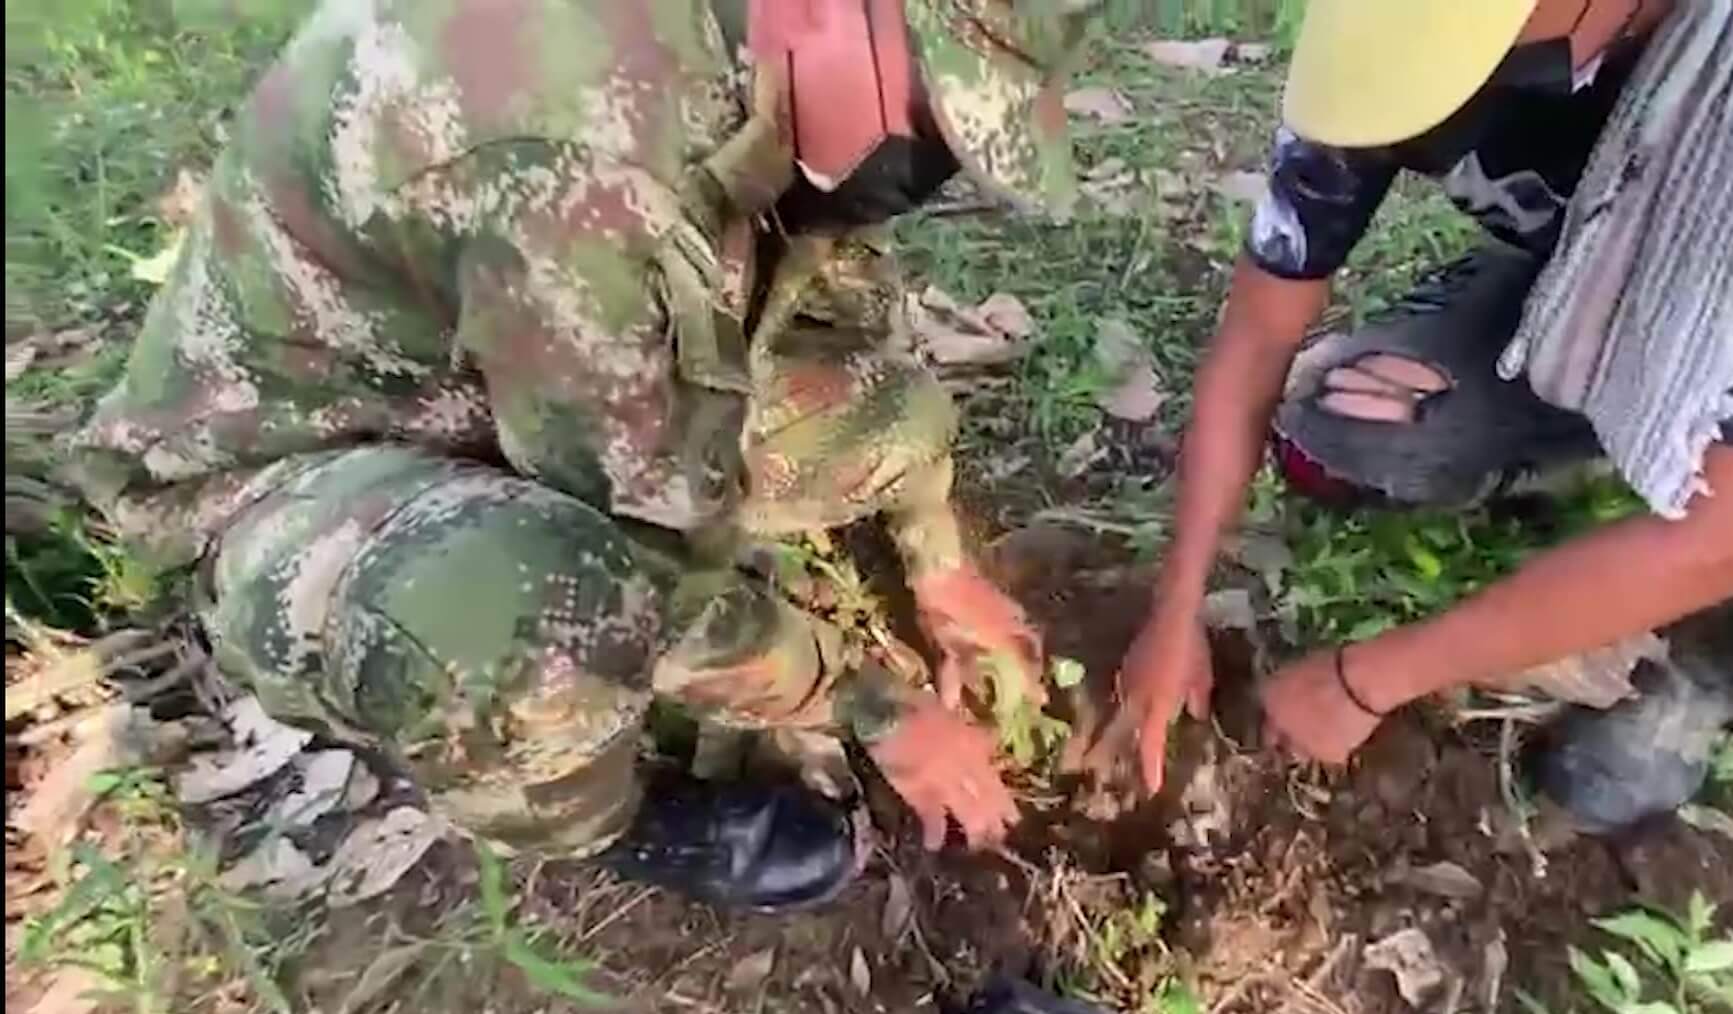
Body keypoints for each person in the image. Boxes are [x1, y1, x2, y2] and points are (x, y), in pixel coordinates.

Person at [64, 0, 1093, 911]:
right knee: (540, 610)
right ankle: (608, 818)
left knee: (886, 415)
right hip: (295, 467)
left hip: (498, 379)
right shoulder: (578, 147)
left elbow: (829, 332)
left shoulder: (745, 60)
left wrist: (941, 564)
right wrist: (882, 708)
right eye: (931, 114)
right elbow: (645, 562)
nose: (922, 163)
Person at [1116, 0, 1733, 831]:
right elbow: (1254, 338)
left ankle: (1722, 670)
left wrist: (1369, 679)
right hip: (1617, 289)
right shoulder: (1384, 53)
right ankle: (1609, 427)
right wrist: (1177, 610)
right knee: (1352, 428)